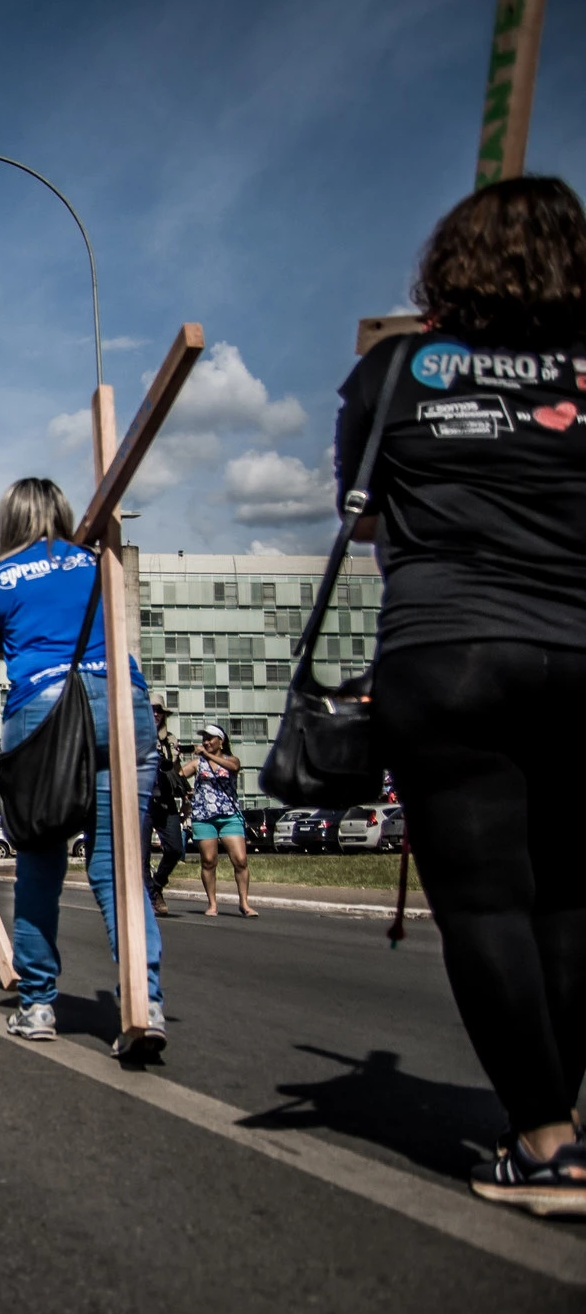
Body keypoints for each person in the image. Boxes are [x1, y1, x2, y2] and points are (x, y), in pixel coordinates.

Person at [337, 176, 586, 1210]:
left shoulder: (393, 369)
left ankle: (543, 1136)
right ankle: (555, 1128)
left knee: (485, 903)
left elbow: (359, 510)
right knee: (570, 896)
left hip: (447, 651)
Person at [0, 477, 164, 1060]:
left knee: (39, 864)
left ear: (6, 521)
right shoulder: (100, 561)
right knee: (119, 867)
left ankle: (36, 1005)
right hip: (123, 705)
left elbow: (0, 647)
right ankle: (144, 1000)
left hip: (44, 710)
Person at [188, 723, 256, 918]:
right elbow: (178, 775)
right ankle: (212, 903)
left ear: (221, 741)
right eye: (204, 739)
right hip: (204, 817)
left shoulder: (230, 759)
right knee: (209, 861)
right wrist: (175, 762)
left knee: (240, 860)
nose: (206, 742)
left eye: (210, 738)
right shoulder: (197, 764)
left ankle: (244, 903)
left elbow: (234, 767)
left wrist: (207, 755)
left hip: (229, 816)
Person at [143, 698, 188, 917]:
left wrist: (187, 796)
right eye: (151, 710)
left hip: (166, 801)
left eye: (159, 711)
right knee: (141, 856)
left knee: (175, 849)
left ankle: (157, 884)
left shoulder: (170, 740)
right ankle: (152, 895)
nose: (156, 714)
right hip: (140, 802)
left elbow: (177, 770)